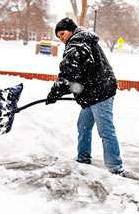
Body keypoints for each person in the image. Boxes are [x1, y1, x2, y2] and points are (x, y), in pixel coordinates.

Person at [46, 17, 124, 175]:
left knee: (106, 131)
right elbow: (82, 72)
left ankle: (116, 169)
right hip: (93, 93)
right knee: (83, 126)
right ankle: (83, 159)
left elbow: (68, 74)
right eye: (59, 36)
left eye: (62, 34)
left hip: (100, 93)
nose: (61, 39)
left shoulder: (77, 44)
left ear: (71, 30)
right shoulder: (82, 40)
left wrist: (55, 92)